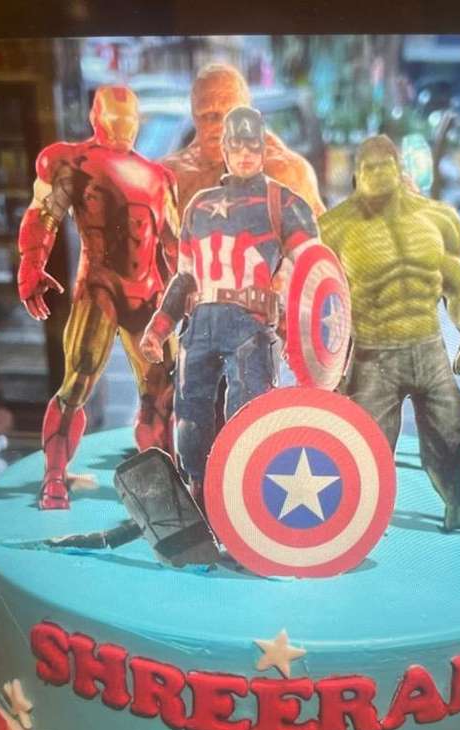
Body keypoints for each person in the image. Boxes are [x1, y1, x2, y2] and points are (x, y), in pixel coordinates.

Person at [319, 135, 460, 535]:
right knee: (367, 442)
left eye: (386, 166)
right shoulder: (333, 228)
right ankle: (359, 520)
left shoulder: (437, 218)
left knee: (452, 430)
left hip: (428, 346)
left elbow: (458, 285)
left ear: (400, 169)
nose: (379, 174)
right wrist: (324, 368)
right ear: (357, 175)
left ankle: (459, 507)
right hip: (373, 354)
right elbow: (318, 300)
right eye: (370, 168)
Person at [139, 107, 318, 503]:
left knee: (247, 423)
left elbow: (313, 269)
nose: (245, 155)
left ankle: (242, 506)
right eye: (237, 146)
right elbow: (185, 278)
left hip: (250, 327)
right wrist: (159, 327)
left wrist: (297, 323)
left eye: (252, 146)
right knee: (189, 425)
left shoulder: (283, 202)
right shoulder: (200, 206)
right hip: (199, 325)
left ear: (263, 148)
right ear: (224, 149)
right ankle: (201, 498)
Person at [17, 85, 179, 509]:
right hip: (100, 286)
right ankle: (54, 476)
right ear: (97, 118)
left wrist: (188, 294)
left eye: (130, 120)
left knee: (162, 390)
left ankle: (161, 477)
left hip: (148, 291)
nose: (124, 127)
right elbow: (44, 214)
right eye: (116, 119)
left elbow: (174, 245)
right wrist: (31, 263)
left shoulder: (158, 177)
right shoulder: (72, 161)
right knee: (79, 379)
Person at [163, 63, 324, 216]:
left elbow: (318, 233)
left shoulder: (285, 171)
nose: (222, 125)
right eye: (210, 116)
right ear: (195, 117)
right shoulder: (172, 176)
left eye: (232, 114)